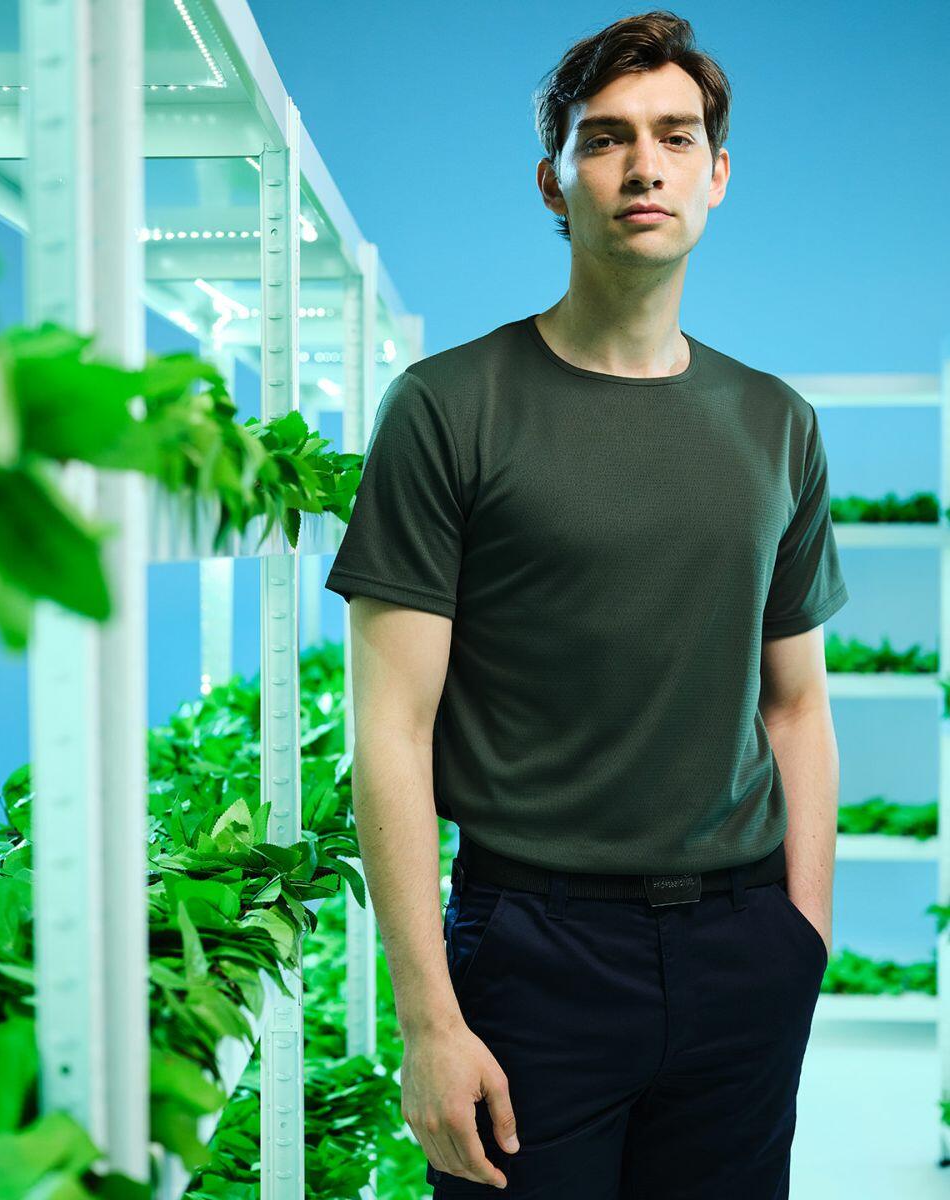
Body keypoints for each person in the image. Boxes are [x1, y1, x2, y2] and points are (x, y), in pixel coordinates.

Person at [323, 9, 848, 1198]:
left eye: (675, 135)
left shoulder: (777, 424)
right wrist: (426, 1022)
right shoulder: (448, 407)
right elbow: (390, 731)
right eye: (604, 139)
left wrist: (799, 939)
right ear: (554, 184)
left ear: (715, 175)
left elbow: (796, 707)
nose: (642, 164)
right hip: (530, 954)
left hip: (741, 950)